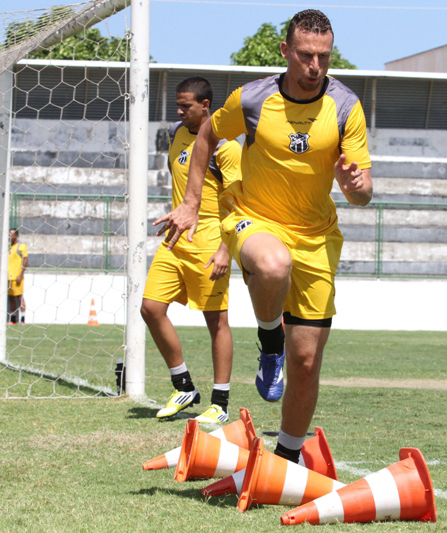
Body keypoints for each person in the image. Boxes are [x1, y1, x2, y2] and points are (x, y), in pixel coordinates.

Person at [155, 10, 372, 462]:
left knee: (306, 362)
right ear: (286, 51)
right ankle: (271, 338)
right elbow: (208, 134)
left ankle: (286, 460)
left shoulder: (346, 106)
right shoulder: (253, 98)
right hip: (252, 218)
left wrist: (354, 186)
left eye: (324, 56)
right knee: (274, 265)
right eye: (306, 55)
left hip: (317, 237)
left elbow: (363, 192)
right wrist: (192, 201)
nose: (315, 66)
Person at [142, 76, 242, 424]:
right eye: (178, 105)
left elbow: (239, 202)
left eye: (186, 106)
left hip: (210, 242)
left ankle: (220, 403)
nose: (180, 112)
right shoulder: (176, 133)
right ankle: (183, 385)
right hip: (175, 239)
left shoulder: (227, 147)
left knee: (216, 322)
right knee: (151, 309)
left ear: (206, 106)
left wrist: (226, 249)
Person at [7, 228, 28, 324]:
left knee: (19, 297)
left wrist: (21, 274)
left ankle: (23, 319)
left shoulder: (21, 246)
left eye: (11, 234)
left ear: (16, 235)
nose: (9, 236)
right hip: (8, 277)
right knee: (11, 298)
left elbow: (25, 260)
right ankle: (13, 319)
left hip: (17, 276)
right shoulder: (8, 247)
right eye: (8, 234)